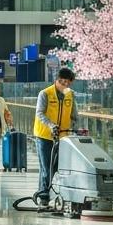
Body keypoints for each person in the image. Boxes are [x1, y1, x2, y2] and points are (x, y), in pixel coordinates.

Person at [33, 67, 77, 205]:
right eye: (61, 82)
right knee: (46, 168)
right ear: (56, 80)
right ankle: (44, 198)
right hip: (44, 136)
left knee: (59, 168)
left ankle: (58, 195)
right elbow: (39, 113)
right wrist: (51, 125)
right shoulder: (45, 94)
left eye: (67, 83)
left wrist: (75, 128)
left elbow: (74, 116)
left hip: (63, 137)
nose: (64, 85)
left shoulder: (71, 95)